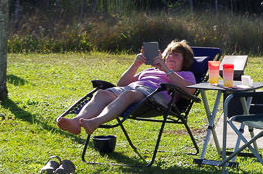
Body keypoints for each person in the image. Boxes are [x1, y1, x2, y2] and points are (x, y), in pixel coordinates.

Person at [56, 40, 196, 137]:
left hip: (155, 98)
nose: (171, 56)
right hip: (132, 90)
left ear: (185, 60)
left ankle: (94, 122)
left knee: (128, 94)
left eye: (176, 55)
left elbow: (189, 92)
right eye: (169, 54)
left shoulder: (185, 74)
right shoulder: (150, 71)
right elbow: (121, 83)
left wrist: (167, 70)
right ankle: (77, 121)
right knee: (102, 94)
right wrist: (136, 64)